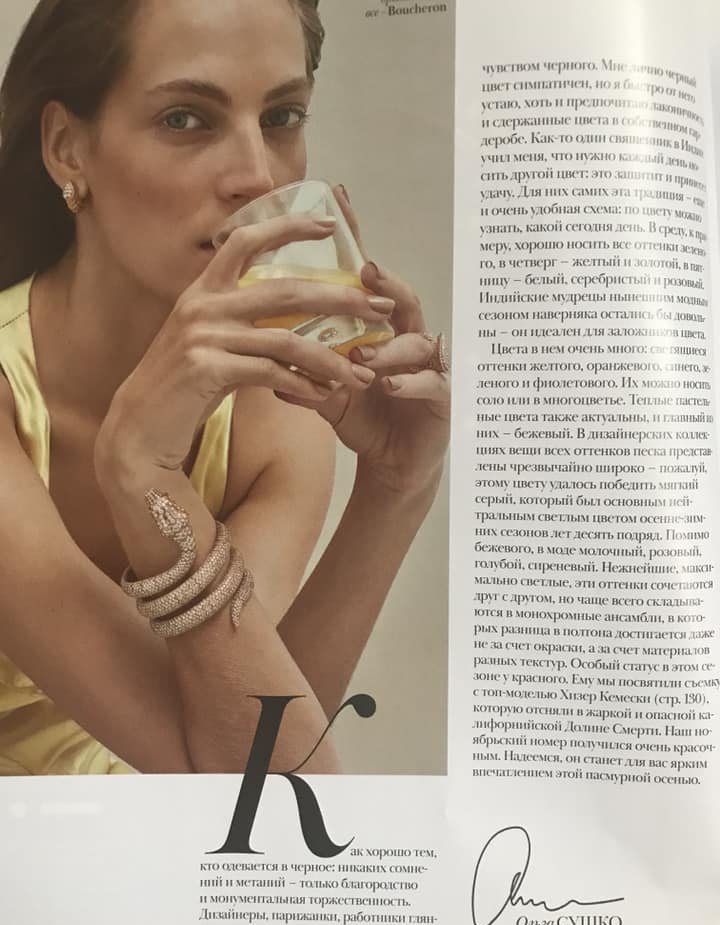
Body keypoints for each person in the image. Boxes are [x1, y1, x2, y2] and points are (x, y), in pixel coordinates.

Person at [0, 0, 450, 775]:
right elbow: (243, 777)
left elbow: (263, 752)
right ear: (68, 149)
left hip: (155, 832)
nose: (258, 176)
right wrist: (141, 470)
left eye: (281, 117)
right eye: (185, 119)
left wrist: (394, 488)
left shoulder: (275, 401)